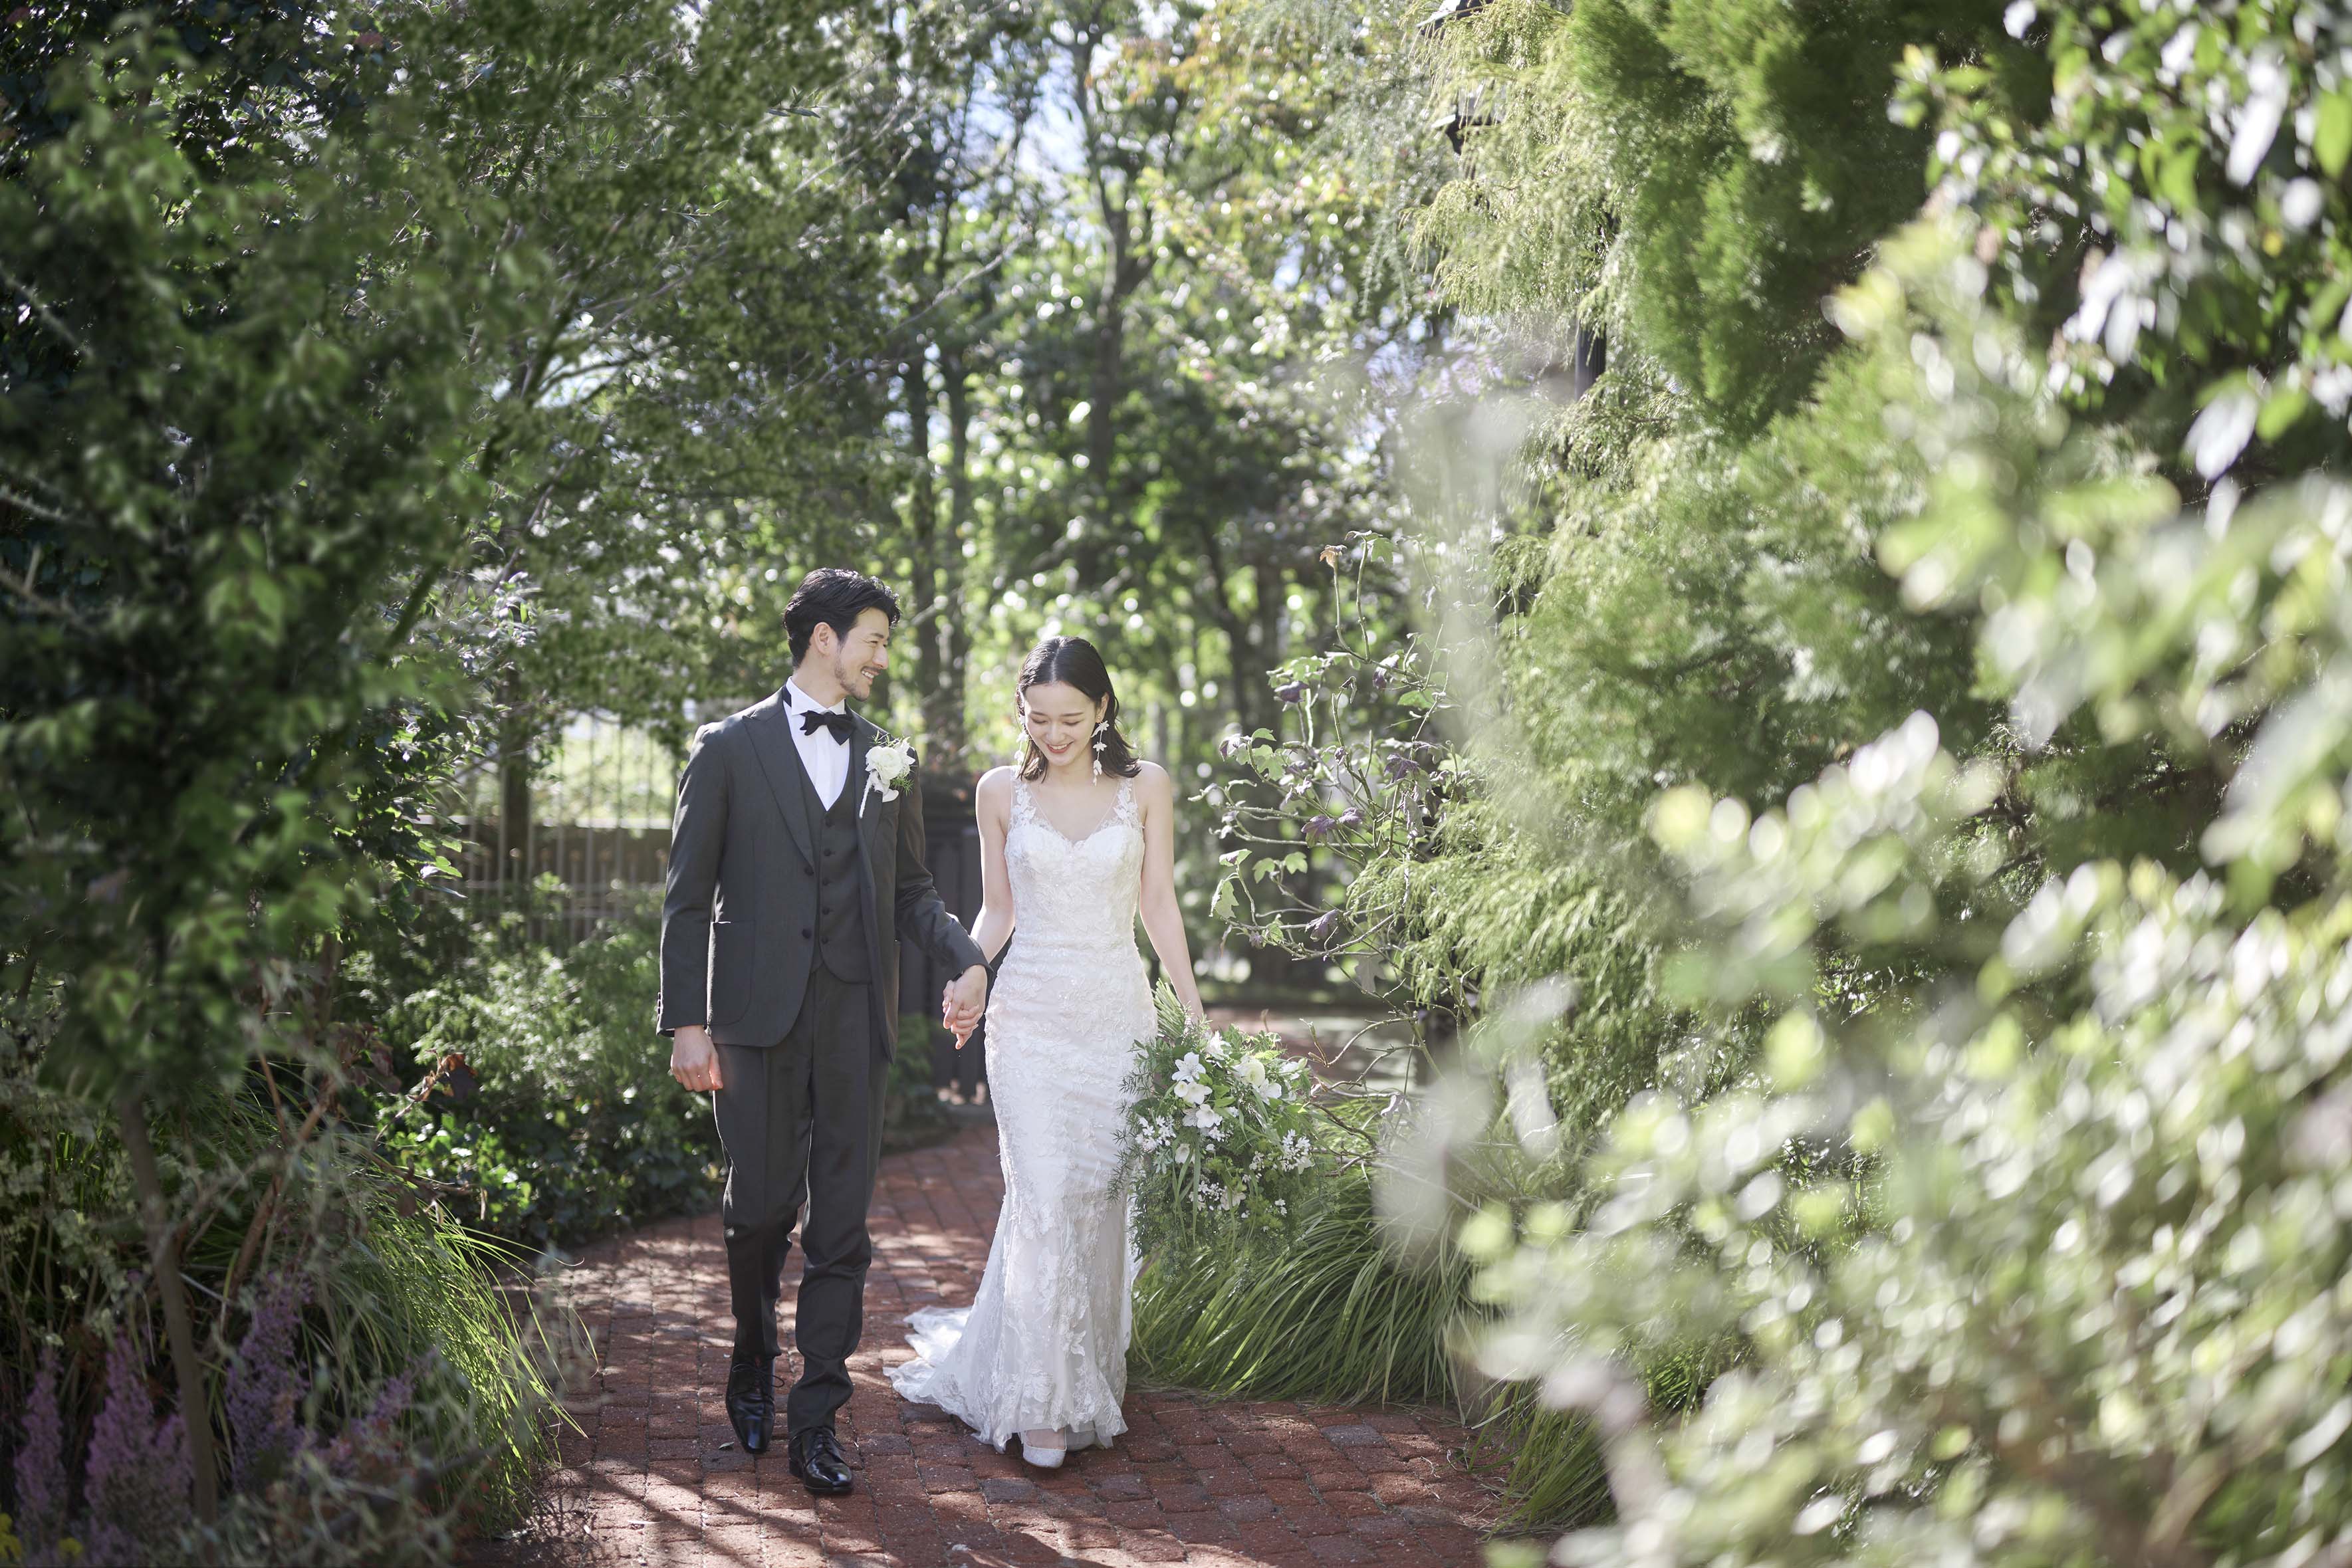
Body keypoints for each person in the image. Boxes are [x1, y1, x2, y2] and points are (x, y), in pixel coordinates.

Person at [657, 568, 990, 1496]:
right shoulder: (727, 748)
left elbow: (913, 891)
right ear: (823, 639)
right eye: (873, 639)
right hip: (754, 1021)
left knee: (841, 1227)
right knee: (760, 1209)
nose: (882, 657)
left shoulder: (891, 756)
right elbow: (685, 899)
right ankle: (751, 1355)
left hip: (854, 1018)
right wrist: (687, 1023)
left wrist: (967, 956)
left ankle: (817, 1418)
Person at [887, 635, 1206, 1468]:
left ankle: (1083, 1367)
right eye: (1037, 718)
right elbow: (998, 909)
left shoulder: (1147, 786)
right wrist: (968, 971)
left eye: (1069, 718)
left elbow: (1158, 903)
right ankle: (1040, 1399)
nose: (1053, 734)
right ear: (1020, 712)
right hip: (1026, 1018)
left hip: (1116, 1017)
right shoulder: (1000, 792)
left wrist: (1192, 1011)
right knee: (1043, 1192)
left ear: (1102, 709)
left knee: (1097, 1198)